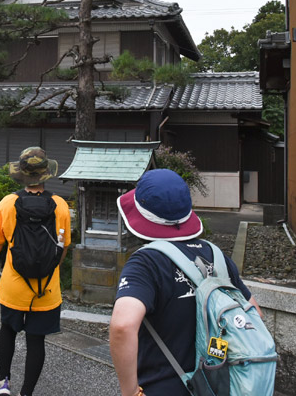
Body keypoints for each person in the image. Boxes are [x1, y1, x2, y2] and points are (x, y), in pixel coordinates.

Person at [109, 168, 261, 396]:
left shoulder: (146, 262)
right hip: (217, 385)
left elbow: (122, 326)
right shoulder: (216, 255)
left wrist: (129, 391)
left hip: (163, 387)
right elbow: (254, 315)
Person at [0, 147, 71, 396]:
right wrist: (51, 269)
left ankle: (3, 384)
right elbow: (62, 248)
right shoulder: (60, 206)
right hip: (47, 288)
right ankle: (27, 392)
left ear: (21, 174)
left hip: (13, 284)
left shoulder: (8, 203)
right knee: (36, 339)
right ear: (45, 174)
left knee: (7, 330)